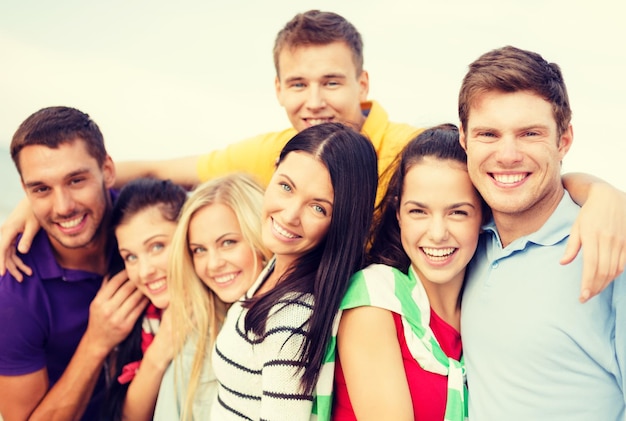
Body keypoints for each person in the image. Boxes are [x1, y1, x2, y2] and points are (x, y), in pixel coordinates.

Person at [2, 10, 625, 300]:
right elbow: (163, 168)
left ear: (364, 86)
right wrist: (48, 202)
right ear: (278, 91)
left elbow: (507, 172)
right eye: (298, 85)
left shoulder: (412, 148)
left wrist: (601, 194)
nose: (315, 101)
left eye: (332, 82)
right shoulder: (277, 152)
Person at [458, 46, 626, 420]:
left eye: (529, 133)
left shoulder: (610, 245)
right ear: (464, 140)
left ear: (563, 140)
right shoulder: (464, 244)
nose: (507, 155)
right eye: (488, 133)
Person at [313, 124, 482, 421]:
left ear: (483, 216)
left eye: (458, 212)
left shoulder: (485, 306)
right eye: (418, 211)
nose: (438, 233)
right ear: (398, 213)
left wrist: (591, 191)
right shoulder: (375, 297)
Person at [210, 122, 378, 420]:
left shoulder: (292, 315)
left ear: (340, 222)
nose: (289, 216)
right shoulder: (277, 267)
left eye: (318, 208)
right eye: (286, 187)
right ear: (273, 171)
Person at [0, 106, 147, 421]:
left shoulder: (148, 223)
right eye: (41, 189)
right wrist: (96, 342)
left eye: (76, 180)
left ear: (108, 171)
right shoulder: (14, 291)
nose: (63, 207)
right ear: (26, 191)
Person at [154, 172, 272, 420]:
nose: (213, 264)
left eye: (228, 242)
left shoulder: (304, 317)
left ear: (260, 235)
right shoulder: (198, 337)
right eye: (199, 250)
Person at [101, 178, 187, 421]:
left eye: (157, 246)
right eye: (130, 257)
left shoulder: (226, 303)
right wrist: (160, 350)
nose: (144, 271)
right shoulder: (144, 319)